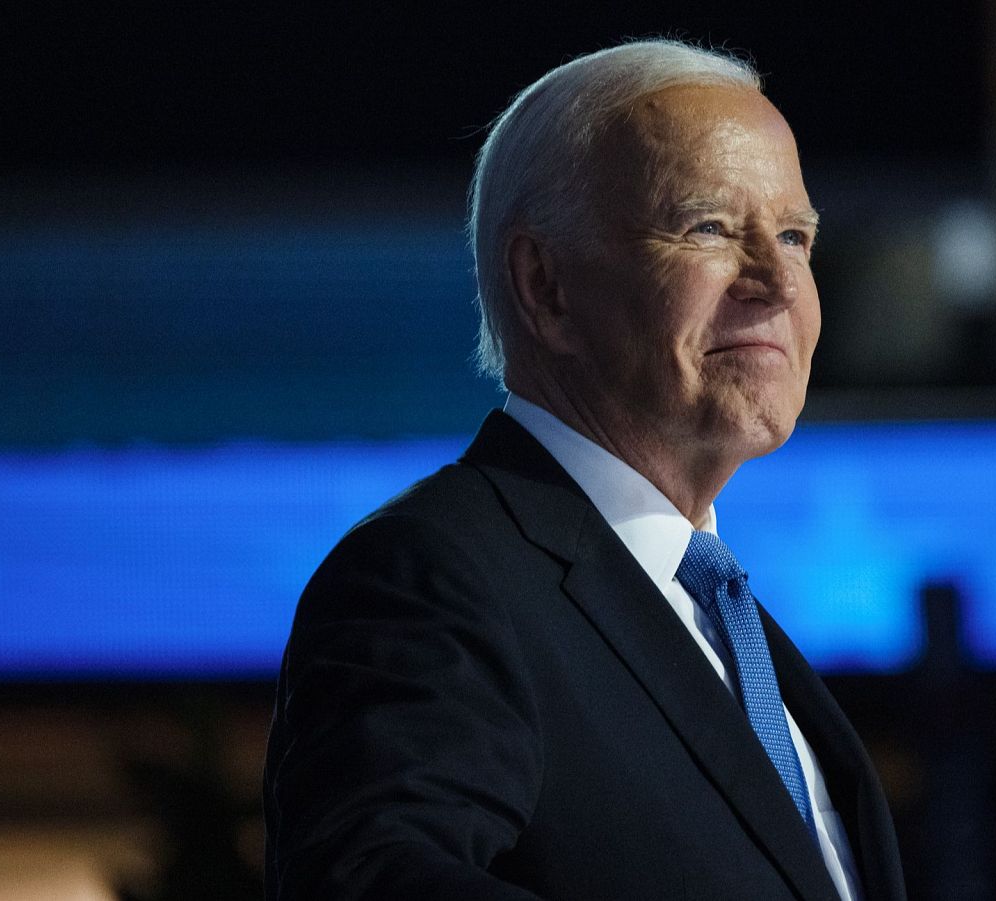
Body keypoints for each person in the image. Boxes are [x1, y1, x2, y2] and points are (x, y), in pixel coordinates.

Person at [262, 39, 906, 901]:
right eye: (709, 228)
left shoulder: (720, 617)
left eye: (794, 235)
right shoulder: (431, 578)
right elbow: (374, 881)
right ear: (546, 286)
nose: (777, 282)